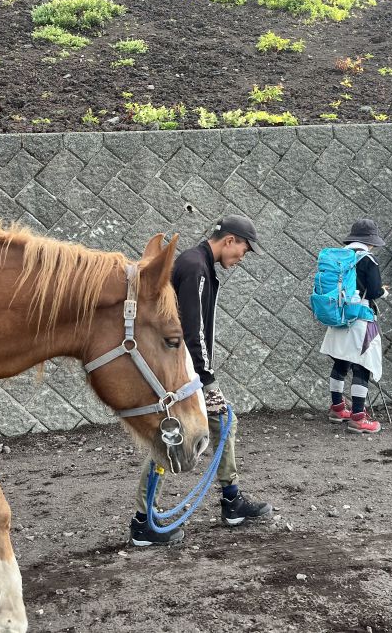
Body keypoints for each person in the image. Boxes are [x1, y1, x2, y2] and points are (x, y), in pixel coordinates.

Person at [129, 214, 273, 547]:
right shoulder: (195, 266)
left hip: (179, 367)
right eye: (244, 250)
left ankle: (230, 500)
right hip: (179, 370)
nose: (242, 258)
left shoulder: (199, 264)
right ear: (230, 241)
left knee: (218, 424)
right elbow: (192, 330)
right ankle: (142, 522)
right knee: (170, 438)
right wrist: (207, 382)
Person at [320, 219, 387, 434]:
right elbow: (375, 291)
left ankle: (337, 408)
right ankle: (358, 416)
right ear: (371, 242)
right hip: (360, 317)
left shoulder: (339, 257)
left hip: (338, 315)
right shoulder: (368, 259)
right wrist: (383, 292)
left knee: (341, 362)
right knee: (362, 366)